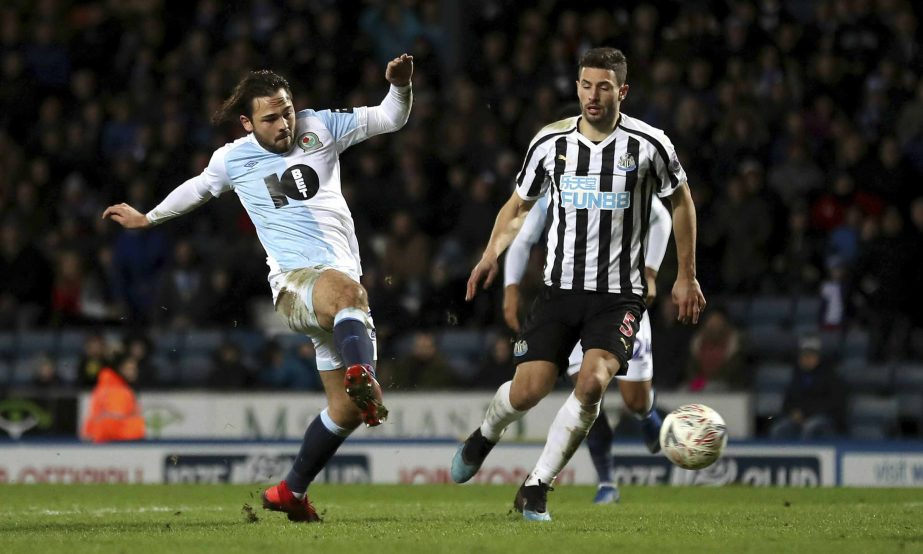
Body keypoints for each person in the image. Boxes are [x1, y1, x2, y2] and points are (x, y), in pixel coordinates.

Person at [102, 55, 414, 522]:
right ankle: (363, 372)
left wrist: (401, 86)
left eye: (287, 111)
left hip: (334, 293)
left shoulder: (321, 126)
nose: (284, 124)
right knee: (349, 296)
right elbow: (199, 189)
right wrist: (149, 217)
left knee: (346, 412)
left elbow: (391, 116)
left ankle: (291, 491)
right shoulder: (232, 158)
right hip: (294, 285)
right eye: (270, 118)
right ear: (248, 122)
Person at [452, 47, 705, 521]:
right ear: (577, 88)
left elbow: (682, 204)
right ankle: (485, 433)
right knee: (527, 391)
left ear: (622, 91)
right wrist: (491, 255)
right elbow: (518, 207)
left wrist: (685, 275)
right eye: (586, 85)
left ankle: (537, 487)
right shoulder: (550, 144)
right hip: (559, 292)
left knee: (591, 385)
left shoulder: (650, 145)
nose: (593, 95)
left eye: (604, 86)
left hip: (619, 296)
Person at [502, 192, 672, 504]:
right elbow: (522, 239)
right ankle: (607, 483)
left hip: (621, 301)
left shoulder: (620, 178)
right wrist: (510, 286)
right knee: (587, 390)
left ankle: (646, 412)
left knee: (634, 400)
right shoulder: (554, 185)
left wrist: (650, 272)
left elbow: (662, 217)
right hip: (570, 307)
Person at [769, 336, 844, 439]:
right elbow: (788, 400)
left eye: (810, 355)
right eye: (804, 355)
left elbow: (833, 404)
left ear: (818, 357)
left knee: (810, 427)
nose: (806, 359)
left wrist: (806, 414)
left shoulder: (830, 377)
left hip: (821, 417)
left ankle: (802, 455)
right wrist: (793, 412)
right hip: (797, 418)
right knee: (779, 428)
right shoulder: (796, 376)